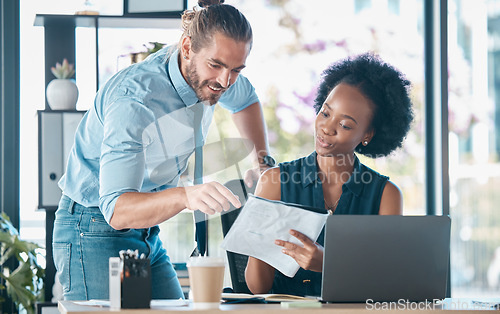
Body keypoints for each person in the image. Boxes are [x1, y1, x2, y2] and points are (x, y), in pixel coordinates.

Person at [53, 0, 274, 300]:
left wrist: (262, 162)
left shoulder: (216, 76)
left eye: (236, 69)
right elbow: (117, 210)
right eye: (217, 65)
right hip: (93, 229)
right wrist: (187, 196)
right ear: (187, 48)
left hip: (145, 233)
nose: (225, 81)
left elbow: (246, 100)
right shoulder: (135, 101)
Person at [245, 52, 414, 297]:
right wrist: (258, 238)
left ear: (368, 135)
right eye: (325, 113)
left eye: (345, 125)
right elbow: (257, 287)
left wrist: (329, 263)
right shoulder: (274, 181)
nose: (327, 128)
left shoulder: (385, 195)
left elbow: (387, 284)